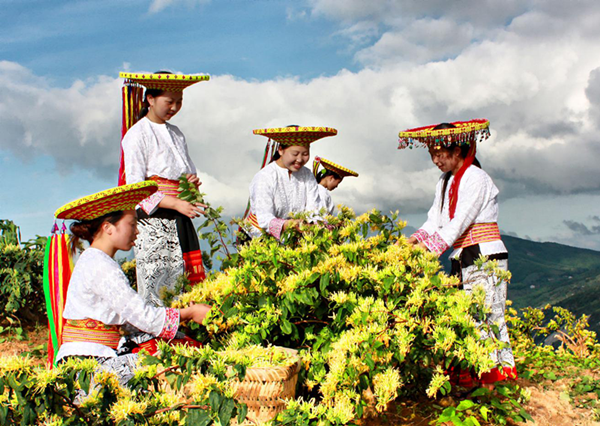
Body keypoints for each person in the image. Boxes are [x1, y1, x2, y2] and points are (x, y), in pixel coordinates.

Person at [52, 181, 211, 385]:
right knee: (171, 365)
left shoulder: (95, 260)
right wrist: (189, 313)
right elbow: (143, 317)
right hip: (87, 362)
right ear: (108, 228)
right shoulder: (100, 265)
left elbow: (132, 319)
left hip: (96, 353)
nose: (138, 231)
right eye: (133, 224)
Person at [398, 119, 516, 387]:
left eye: (440, 154)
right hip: (463, 254)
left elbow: (459, 222)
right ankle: (473, 379)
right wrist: (413, 241)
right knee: (466, 317)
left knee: (488, 316)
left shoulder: (477, 177)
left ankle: (496, 382)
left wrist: (427, 250)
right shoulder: (444, 181)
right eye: (432, 155)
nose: (436, 160)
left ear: (458, 151)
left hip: (484, 255)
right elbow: (434, 220)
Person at [118, 71, 210, 306]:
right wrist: (175, 202)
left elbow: (187, 175)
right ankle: (158, 337)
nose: (175, 107)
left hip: (179, 216)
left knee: (186, 281)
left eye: (179, 101)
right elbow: (136, 189)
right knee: (158, 283)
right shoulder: (137, 134)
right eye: (169, 101)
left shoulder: (177, 133)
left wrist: (191, 188)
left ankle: (187, 333)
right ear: (150, 99)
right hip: (154, 220)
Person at [245, 126, 337, 240]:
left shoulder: (307, 175)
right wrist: (287, 225)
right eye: (295, 154)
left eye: (305, 154)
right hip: (258, 238)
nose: (300, 159)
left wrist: (317, 224)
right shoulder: (265, 176)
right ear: (280, 150)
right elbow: (264, 217)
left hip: (292, 239)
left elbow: (314, 209)